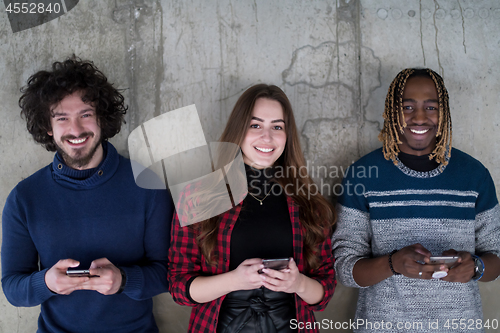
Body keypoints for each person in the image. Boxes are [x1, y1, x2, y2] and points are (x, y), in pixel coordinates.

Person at [1, 56, 173, 333]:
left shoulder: (147, 184)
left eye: (85, 115)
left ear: (102, 119)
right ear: (48, 127)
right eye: (62, 118)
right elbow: (12, 288)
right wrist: (45, 283)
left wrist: (124, 280)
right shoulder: (24, 198)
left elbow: (170, 274)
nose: (76, 130)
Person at [333, 68, 500, 332]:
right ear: (391, 111)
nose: (419, 117)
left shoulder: (474, 175)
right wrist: (392, 263)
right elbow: (344, 268)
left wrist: (475, 267)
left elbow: (495, 257)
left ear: (443, 112)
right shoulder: (363, 174)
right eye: (407, 106)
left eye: (430, 107)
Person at [168, 84, 336, 333]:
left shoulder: (309, 202)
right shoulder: (197, 198)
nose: (267, 137)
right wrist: (234, 280)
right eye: (255, 125)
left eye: (277, 127)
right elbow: (179, 287)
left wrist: (298, 283)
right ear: (239, 130)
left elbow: (325, 291)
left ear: (287, 135)